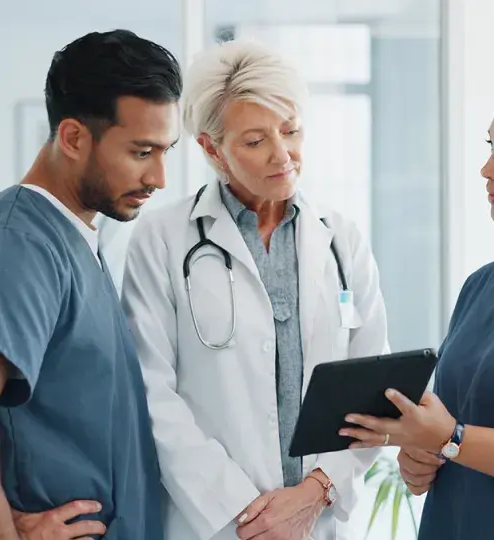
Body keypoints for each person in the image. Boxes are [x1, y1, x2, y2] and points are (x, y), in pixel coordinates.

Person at [0, 29, 182, 540]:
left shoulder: (75, 239)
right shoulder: (18, 243)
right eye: (142, 152)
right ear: (74, 137)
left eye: (166, 151)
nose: (160, 177)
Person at [120, 38, 390, 540]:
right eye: (254, 140)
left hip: (318, 515)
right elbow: (151, 394)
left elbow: (374, 384)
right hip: (218, 523)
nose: (281, 154)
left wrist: (316, 490)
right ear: (210, 148)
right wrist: (249, 514)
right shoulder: (162, 238)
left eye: (291, 131)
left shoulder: (341, 239)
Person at [341, 80, 494, 539]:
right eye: (490, 148)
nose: (487, 169)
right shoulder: (481, 285)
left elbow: (456, 434)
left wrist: (452, 440)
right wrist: (421, 455)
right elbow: (453, 424)